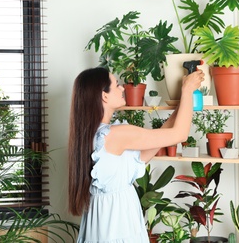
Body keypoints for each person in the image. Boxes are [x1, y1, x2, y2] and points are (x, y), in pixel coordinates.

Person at [68, 67, 204, 242]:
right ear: (104, 96)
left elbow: (150, 149)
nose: (123, 88)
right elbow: (180, 135)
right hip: (118, 220)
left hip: (105, 218)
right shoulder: (116, 134)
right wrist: (187, 90)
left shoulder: (96, 134)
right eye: (117, 85)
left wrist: (181, 106)